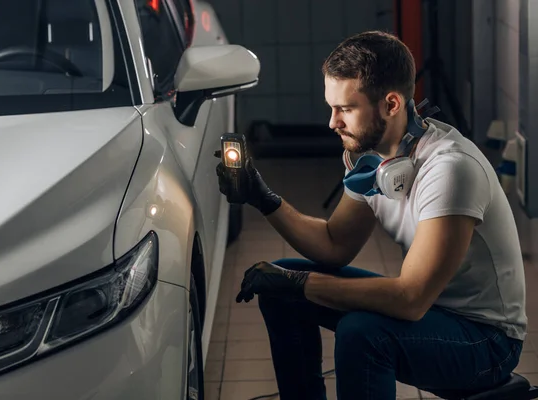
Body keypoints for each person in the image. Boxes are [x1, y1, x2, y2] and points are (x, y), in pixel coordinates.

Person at [215, 30, 527, 400]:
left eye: (345, 108)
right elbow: (335, 244)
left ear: (391, 104)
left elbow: (410, 298)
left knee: (362, 334)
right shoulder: (374, 160)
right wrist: (263, 198)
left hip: (486, 341)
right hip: (432, 312)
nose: (333, 122)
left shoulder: (449, 169)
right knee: (284, 286)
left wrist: (301, 283)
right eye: (331, 108)